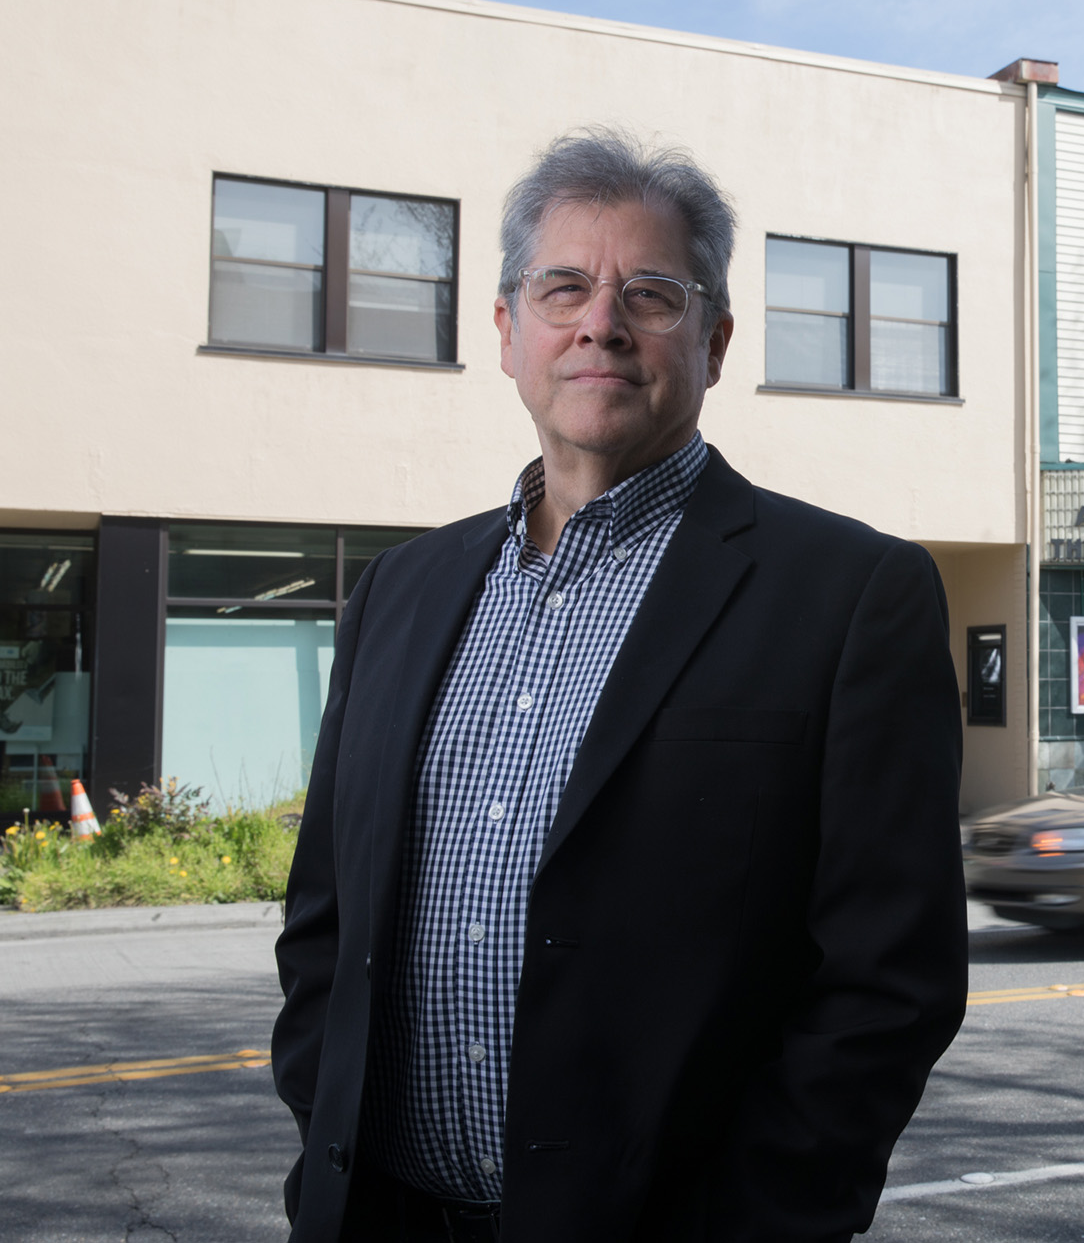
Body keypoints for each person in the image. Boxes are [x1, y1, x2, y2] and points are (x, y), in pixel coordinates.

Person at [271, 129, 967, 1243]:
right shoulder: (402, 589)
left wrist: (759, 1217)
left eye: (650, 292)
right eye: (563, 288)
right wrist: (325, 1129)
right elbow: (324, 922)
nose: (600, 321)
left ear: (716, 337)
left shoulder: (849, 595)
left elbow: (892, 980)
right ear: (506, 330)